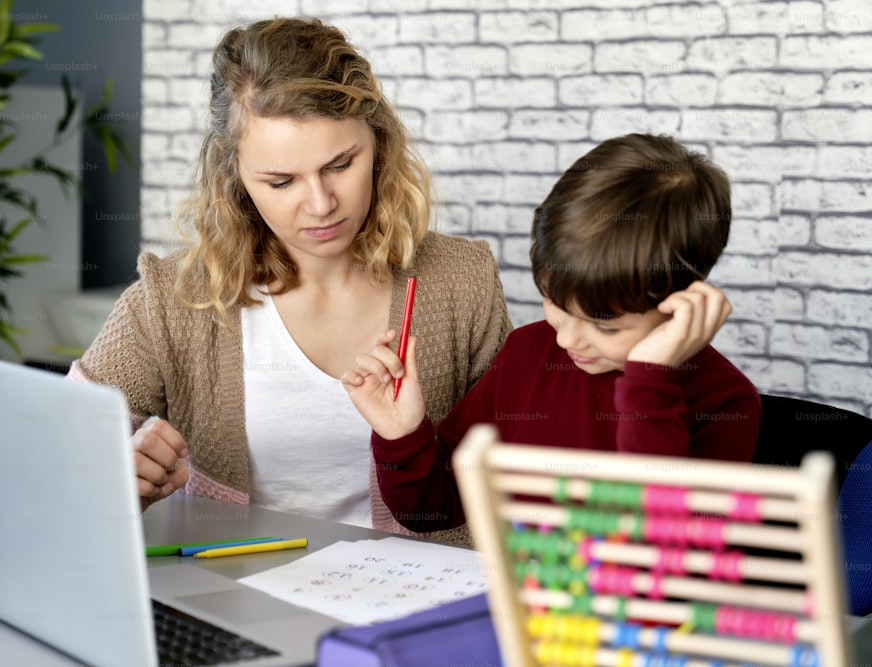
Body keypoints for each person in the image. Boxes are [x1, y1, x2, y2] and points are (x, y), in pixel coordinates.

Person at [67, 17, 511, 539]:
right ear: (232, 175)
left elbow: (513, 480)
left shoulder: (463, 282)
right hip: (231, 604)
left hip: (411, 611)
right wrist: (117, 475)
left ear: (379, 144)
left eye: (341, 164)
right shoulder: (173, 301)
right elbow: (57, 460)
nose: (321, 205)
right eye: (281, 181)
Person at [343, 133, 762, 533]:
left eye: (605, 325)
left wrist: (650, 382)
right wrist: (403, 435)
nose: (567, 340)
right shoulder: (527, 353)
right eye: (555, 304)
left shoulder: (724, 401)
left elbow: (663, 546)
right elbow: (434, 508)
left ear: (683, 305)